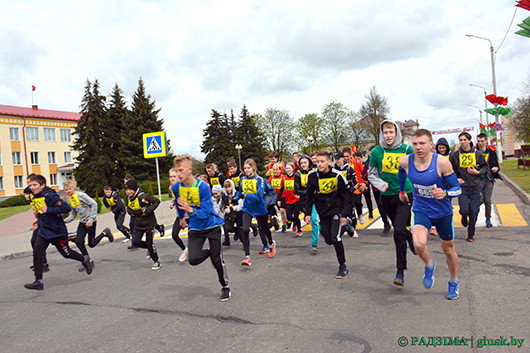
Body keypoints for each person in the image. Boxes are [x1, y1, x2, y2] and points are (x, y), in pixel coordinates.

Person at [398, 129, 462, 299]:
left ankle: (453, 282)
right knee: (418, 244)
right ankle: (429, 265)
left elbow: (457, 189)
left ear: (431, 145)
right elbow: (401, 171)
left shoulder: (442, 163)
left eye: (422, 143)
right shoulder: (406, 160)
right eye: (415, 143)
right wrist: (402, 190)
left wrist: (445, 193)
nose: (418, 147)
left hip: (443, 212)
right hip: (421, 209)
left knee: (448, 249)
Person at [172, 155, 230, 301]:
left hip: (211, 225)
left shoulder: (202, 186)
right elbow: (180, 204)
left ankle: (225, 286)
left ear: (189, 170)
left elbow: (205, 212)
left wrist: (191, 211)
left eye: (181, 170)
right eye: (176, 171)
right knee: (193, 259)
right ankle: (212, 252)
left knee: (217, 261)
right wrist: (181, 218)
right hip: (196, 228)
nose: (178, 174)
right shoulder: (176, 187)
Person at [368, 120, 417, 286]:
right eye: (385, 132)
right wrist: (381, 185)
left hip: (404, 194)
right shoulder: (376, 151)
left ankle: (400, 272)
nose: (388, 136)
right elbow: (371, 174)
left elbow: (417, 169)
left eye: (391, 132)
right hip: (387, 195)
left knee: (398, 232)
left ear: (397, 133)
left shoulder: (407, 149)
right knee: (400, 229)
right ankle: (411, 238)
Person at [24, 174, 92, 290]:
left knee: (66, 253)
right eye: (30, 185)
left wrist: (48, 210)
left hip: (57, 231)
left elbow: (66, 208)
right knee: (37, 252)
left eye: (35, 185)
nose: (32, 187)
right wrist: (37, 218)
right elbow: (42, 212)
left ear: (42, 185)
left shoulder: (50, 196)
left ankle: (84, 259)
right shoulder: (35, 197)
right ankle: (38, 281)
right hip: (44, 231)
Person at [305, 151, 353, 279]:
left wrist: (344, 214)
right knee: (328, 240)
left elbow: (347, 195)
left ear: (328, 162)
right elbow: (309, 195)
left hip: (336, 208)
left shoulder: (337, 175)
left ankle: (343, 265)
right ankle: (346, 227)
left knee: (335, 238)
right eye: (317, 162)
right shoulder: (312, 176)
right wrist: (308, 213)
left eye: (322, 161)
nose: (319, 164)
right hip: (323, 210)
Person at [64, 180, 113, 270]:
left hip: (91, 222)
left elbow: (94, 204)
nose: (68, 191)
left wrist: (91, 219)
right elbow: (74, 213)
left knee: (91, 243)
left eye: (69, 189)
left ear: (73, 187)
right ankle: (88, 261)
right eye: (66, 190)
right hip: (82, 222)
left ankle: (105, 232)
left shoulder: (80, 195)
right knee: (79, 242)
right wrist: (65, 221)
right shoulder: (69, 199)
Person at [450, 132, 488, 242]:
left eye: (465, 140)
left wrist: (478, 172)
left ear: (470, 141)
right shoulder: (455, 155)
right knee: (464, 210)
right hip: (463, 187)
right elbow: (451, 170)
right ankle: (463, 216)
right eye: (461, 140)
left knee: (473, 211)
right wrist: (456, 179)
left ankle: (471, 234)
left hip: (475, 186)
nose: (463, 142)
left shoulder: (477, 153)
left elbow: (485, 166)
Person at [239, 158, 277, 266]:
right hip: (247, 208)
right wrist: (235, 198)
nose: (246, 170)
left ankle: (270, 244)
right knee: (245, 229)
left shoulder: (259, 180)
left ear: (253, 168)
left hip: (259, 208)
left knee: (264, 229)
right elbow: (240, 192)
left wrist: (246, 196)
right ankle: (247, 257)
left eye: (248, 168)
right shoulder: (242, 180)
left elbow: (259, 197)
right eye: (245, 168)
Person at [125, 179, 162, 270]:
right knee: (135, 242)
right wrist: (130, 212)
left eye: (130, 189)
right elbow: (129, 207)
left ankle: (156, 261)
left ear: (135, 189)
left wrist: (147, 211)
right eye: (127, 190)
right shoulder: (128, 198)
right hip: (138, 224)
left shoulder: (142, 197)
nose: (128, 192)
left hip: (149, 224)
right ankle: (150, 247)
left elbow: (156, 201)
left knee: (149, 244)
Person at [124, 174, 165, 240]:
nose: (126, 184)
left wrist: (146, 211)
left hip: (142, 214)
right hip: (135, 212)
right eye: (125, 183)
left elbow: (147, 201)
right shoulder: (128, 194)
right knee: (132, 224)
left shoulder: (139, 192)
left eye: (127, 182)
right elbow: (128, 204)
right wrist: (130, 211)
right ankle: (135, 241)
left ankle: (157, 229)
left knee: (135, 224)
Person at [362, 146, 391, 233]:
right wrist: (367, 175)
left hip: (384, 186)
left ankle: (392, 220)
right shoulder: (367, 164)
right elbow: (365, 176)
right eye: (370, 155)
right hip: (375, 188)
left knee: (386, 204)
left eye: (373, 154)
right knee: (380, 205)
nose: (371, 157)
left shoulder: (382, 160)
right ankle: (386, 223)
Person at [295, 154, 321, 251]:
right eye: (301, 163)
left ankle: (314, 243)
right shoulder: (298, 175)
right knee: (314, 220)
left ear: (309, 162)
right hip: (305, 201)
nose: (303, 165)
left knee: (314, 220)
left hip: (316, 199)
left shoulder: (315, 172)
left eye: (305, 163)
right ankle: (320, 228)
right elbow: (297, 191)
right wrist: (308, 192)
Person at [24, 175, 50, 273]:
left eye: (32, 184)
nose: (30, 186)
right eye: (28, 184)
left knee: (39, 242)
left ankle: (42, 263)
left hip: (46, 222)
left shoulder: (43, 194)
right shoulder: (31, 194)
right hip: (39, 220)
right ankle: (41, 263)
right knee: (34, 241)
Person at [475, 133, 501, 228]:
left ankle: (488, 219)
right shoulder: (474, 152)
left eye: (482, 141)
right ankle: (473, 213)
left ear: (486, 141)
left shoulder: (491, 152)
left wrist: (496, 169)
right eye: (478, 141)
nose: (480, 143)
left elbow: (496, 165)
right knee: (479, 200)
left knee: (487, 200)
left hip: (489, 179)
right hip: (478, 180)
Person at [333, 151, 358, 238]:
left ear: (342, 158)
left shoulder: (349, 169)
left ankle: (354, 228)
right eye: (335, 159)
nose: (337, 161)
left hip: (348, 195)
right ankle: (343, 228)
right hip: (338, 196)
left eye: (338, 159)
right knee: (339, 213)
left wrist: (351, 190)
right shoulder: (334, 170)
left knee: (351, 213)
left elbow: (356, 183)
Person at [168, 168, 188, 262]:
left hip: (190, 215)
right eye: (171, 177)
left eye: (174, 176)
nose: (172, 179)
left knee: (193, 235)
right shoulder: (172, 188)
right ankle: (185, 250)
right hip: (180, 216)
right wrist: (173, 203)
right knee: (174, 235)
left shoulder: (184, 186)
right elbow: (175, 198)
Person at [220, 179, 245, 246]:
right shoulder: (224, 196)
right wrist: (222, 209)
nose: (228, 189)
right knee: (227, 227)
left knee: (242, 236)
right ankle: (236, 231)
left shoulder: (237, 195)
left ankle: (245, 245)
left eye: (229, 187)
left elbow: (240, 206)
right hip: (230, 216)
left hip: (238, 216)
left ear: (232, 186)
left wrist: (231, 208)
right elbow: (221, 204)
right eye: (226, 187)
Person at [283, 162, 303, 236]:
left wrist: (300, 195)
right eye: (287, 168)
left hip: (296, 199)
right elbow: (282, 188)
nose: (288, 170)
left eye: (289, 168)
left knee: (296, 215)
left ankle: (299, 230)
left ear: (293, 169)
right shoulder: (284, 178)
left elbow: (301, 187)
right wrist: (279, 199)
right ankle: (294, 222)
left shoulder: (296, 177)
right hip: (288, 199)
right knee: (289, 217)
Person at [269, 163, 288, 232]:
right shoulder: (271, 178)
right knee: (278, 211)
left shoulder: (283, 177)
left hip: (283, 196)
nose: (275, 171)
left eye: (277, 170)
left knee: (282, 211)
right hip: (275, 197)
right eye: (274, 170)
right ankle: (278, 221)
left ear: (280, 170)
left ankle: (284, 224)